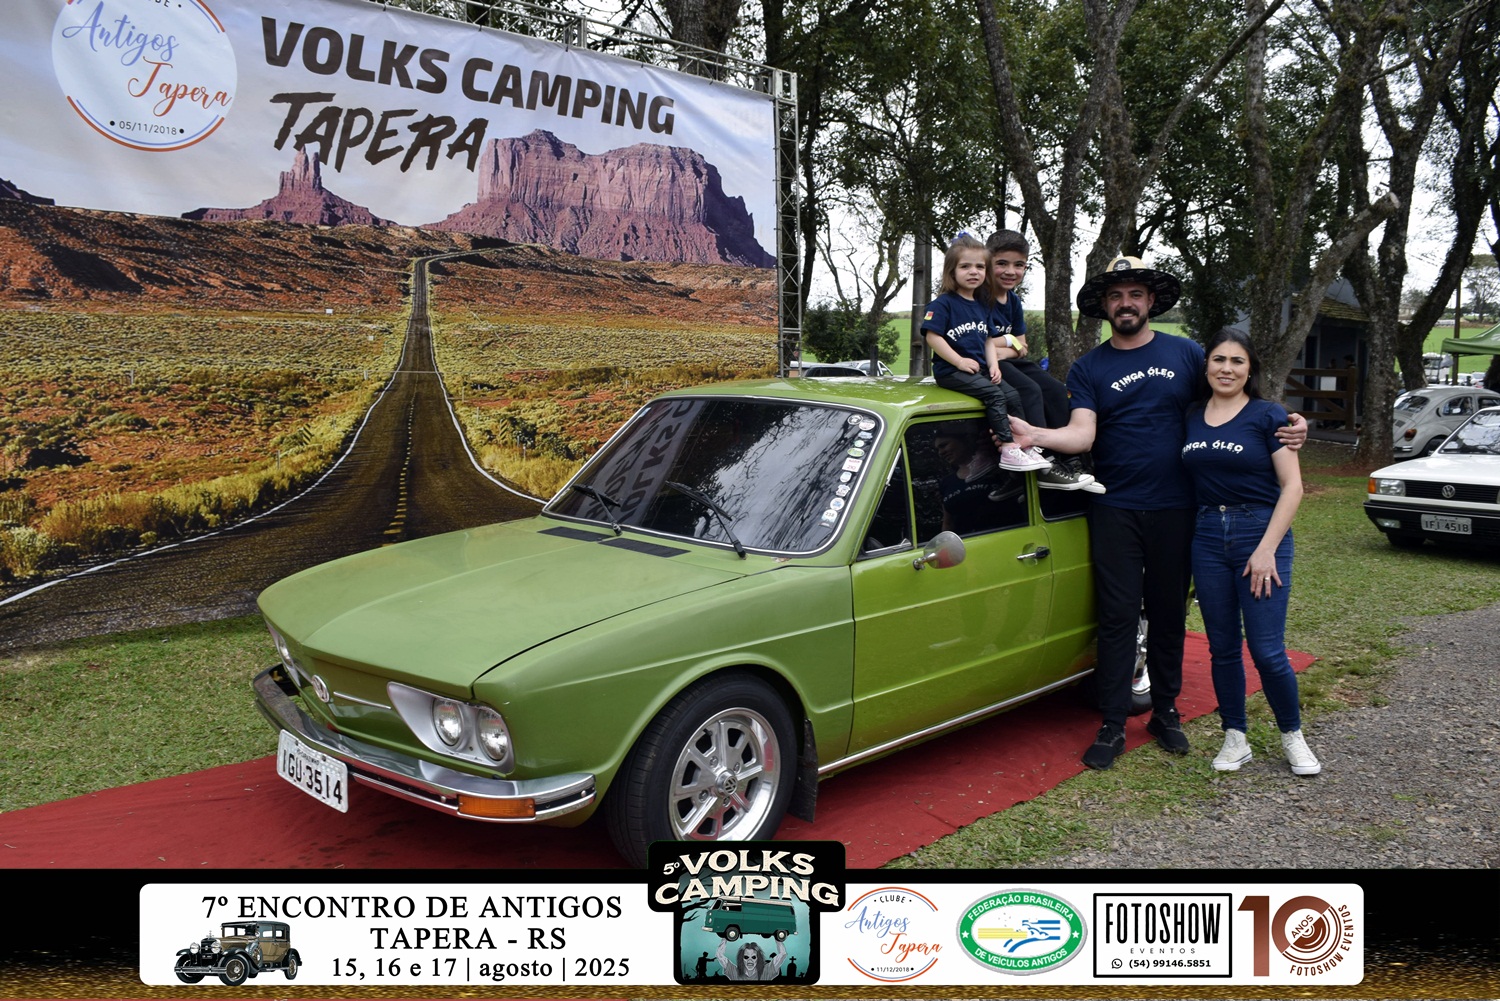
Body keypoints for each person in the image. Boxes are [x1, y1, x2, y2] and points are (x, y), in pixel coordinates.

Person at [1007, 255, 1307, 770]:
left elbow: (1230, 398)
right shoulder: (1089, 366)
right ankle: (1112, 721)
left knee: (1168, 614)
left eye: (1135, 294)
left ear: (1150, 302)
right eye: (1116, 296)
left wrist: (1287, 424)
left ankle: (1165, 712)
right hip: (1114, 505)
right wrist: (1035, 434)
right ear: (1105, 305)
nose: (1126, 303)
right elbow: (1083, 434)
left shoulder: (1186, 354)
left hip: (1180, 508)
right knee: (1118, 616)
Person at [1184, 329, 1320, 776]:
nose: (1227, 368)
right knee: (1222, 646)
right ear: (1207, 366)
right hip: (1207, 535)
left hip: (1259, 532)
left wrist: (1266, 550)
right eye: (1219, 359)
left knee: (1266, 649)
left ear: (1250, 370)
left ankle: (1292, 736)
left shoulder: (1268, 415)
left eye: (1237, 361)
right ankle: (1235, 736)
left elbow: (1292, 487)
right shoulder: (1191, 413)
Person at [982, 230, 1103, 494]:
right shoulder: (979, 298)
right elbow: (977, 343)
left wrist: (1003, 347)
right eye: (1002, 263)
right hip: (983, 366)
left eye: (1019, 265)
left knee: (1056, 390)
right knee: (1029, 390)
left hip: (1003, 360)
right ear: (987, 262)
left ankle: (1072, 460)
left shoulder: (1013, 301)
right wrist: (1007, 343)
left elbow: (1022, 347)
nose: (1010, 271)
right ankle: (1045, 462)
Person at [922, 234, 1050, 475]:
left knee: (1012, 395)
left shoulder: (982, 305)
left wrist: (994, 366)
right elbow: (933, 337)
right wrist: (959, 361)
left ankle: (1026, 445)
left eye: (980, 267)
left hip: (978, 369)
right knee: (995, 395)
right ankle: (1009, 448)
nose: (974, 272)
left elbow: (988, 340)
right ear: (952, 271)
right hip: (951, 371)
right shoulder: (943, 304)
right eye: (965, 266)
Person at [716, 937, 787, 980]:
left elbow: (783, 954)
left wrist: (778, 936)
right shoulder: (734, 972)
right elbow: (719, 954)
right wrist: (725, 936)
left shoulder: (766, 972)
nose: (750, 960)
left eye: (753, 957)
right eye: (746, 957)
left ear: (758, 959)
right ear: (741, 959)